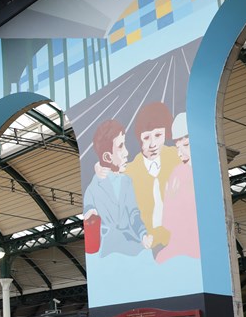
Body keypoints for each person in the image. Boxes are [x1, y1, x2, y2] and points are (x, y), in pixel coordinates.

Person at [83, 119, 153, 257]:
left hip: (131, 243)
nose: (126, 152)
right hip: (108, 249)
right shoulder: (93, 187)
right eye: (121, 146)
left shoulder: (127, 181)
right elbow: (89, 209)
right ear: (108, 157)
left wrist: (143, 234)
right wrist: (90, 212)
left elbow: (134, 213)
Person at [123, 101, 181, 253]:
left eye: (158, 135)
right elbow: (128, 213)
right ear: (139, 138)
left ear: (166, 134)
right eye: (147, 137)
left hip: (178, 239)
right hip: (144, 247)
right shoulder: (129, 173)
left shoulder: (176, 158)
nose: (153, 144)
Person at [157, 112, 200, 262]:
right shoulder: (177, 173)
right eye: (177, 146)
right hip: (181, 240)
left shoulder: (203, 171)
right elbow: (167, 218)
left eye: (186, 145)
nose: (181, 152)